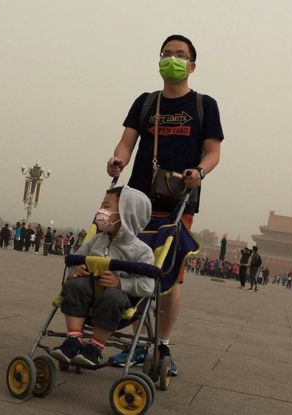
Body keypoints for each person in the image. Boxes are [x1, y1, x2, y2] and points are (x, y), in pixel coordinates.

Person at [106, 35, 223, 372]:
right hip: (136, 200)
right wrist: (117, 160)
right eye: (167, 53)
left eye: (180, 55)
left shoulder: (204, 105)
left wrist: (199, 172)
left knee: (170, 277)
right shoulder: (145, 102)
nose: (173, 59)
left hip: (178, 203)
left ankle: (163, 346)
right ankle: (140, 343)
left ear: (192, 65)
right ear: (159, 60)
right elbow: (127, 143)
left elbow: (213, 152)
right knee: (132, 267)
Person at [50, 186, 154, 367]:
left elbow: (147, 285)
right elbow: (75, 260)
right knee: (74, 286)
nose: (101, 212)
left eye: (106, 207)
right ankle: (73, 339)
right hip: (88, 293)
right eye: (101, 207)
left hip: (118, 302)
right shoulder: (98, 240)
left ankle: (95, 347)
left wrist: (121, 283)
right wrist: (76, 270)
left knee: (112, 297)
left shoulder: (142, 252)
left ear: (126, 213)